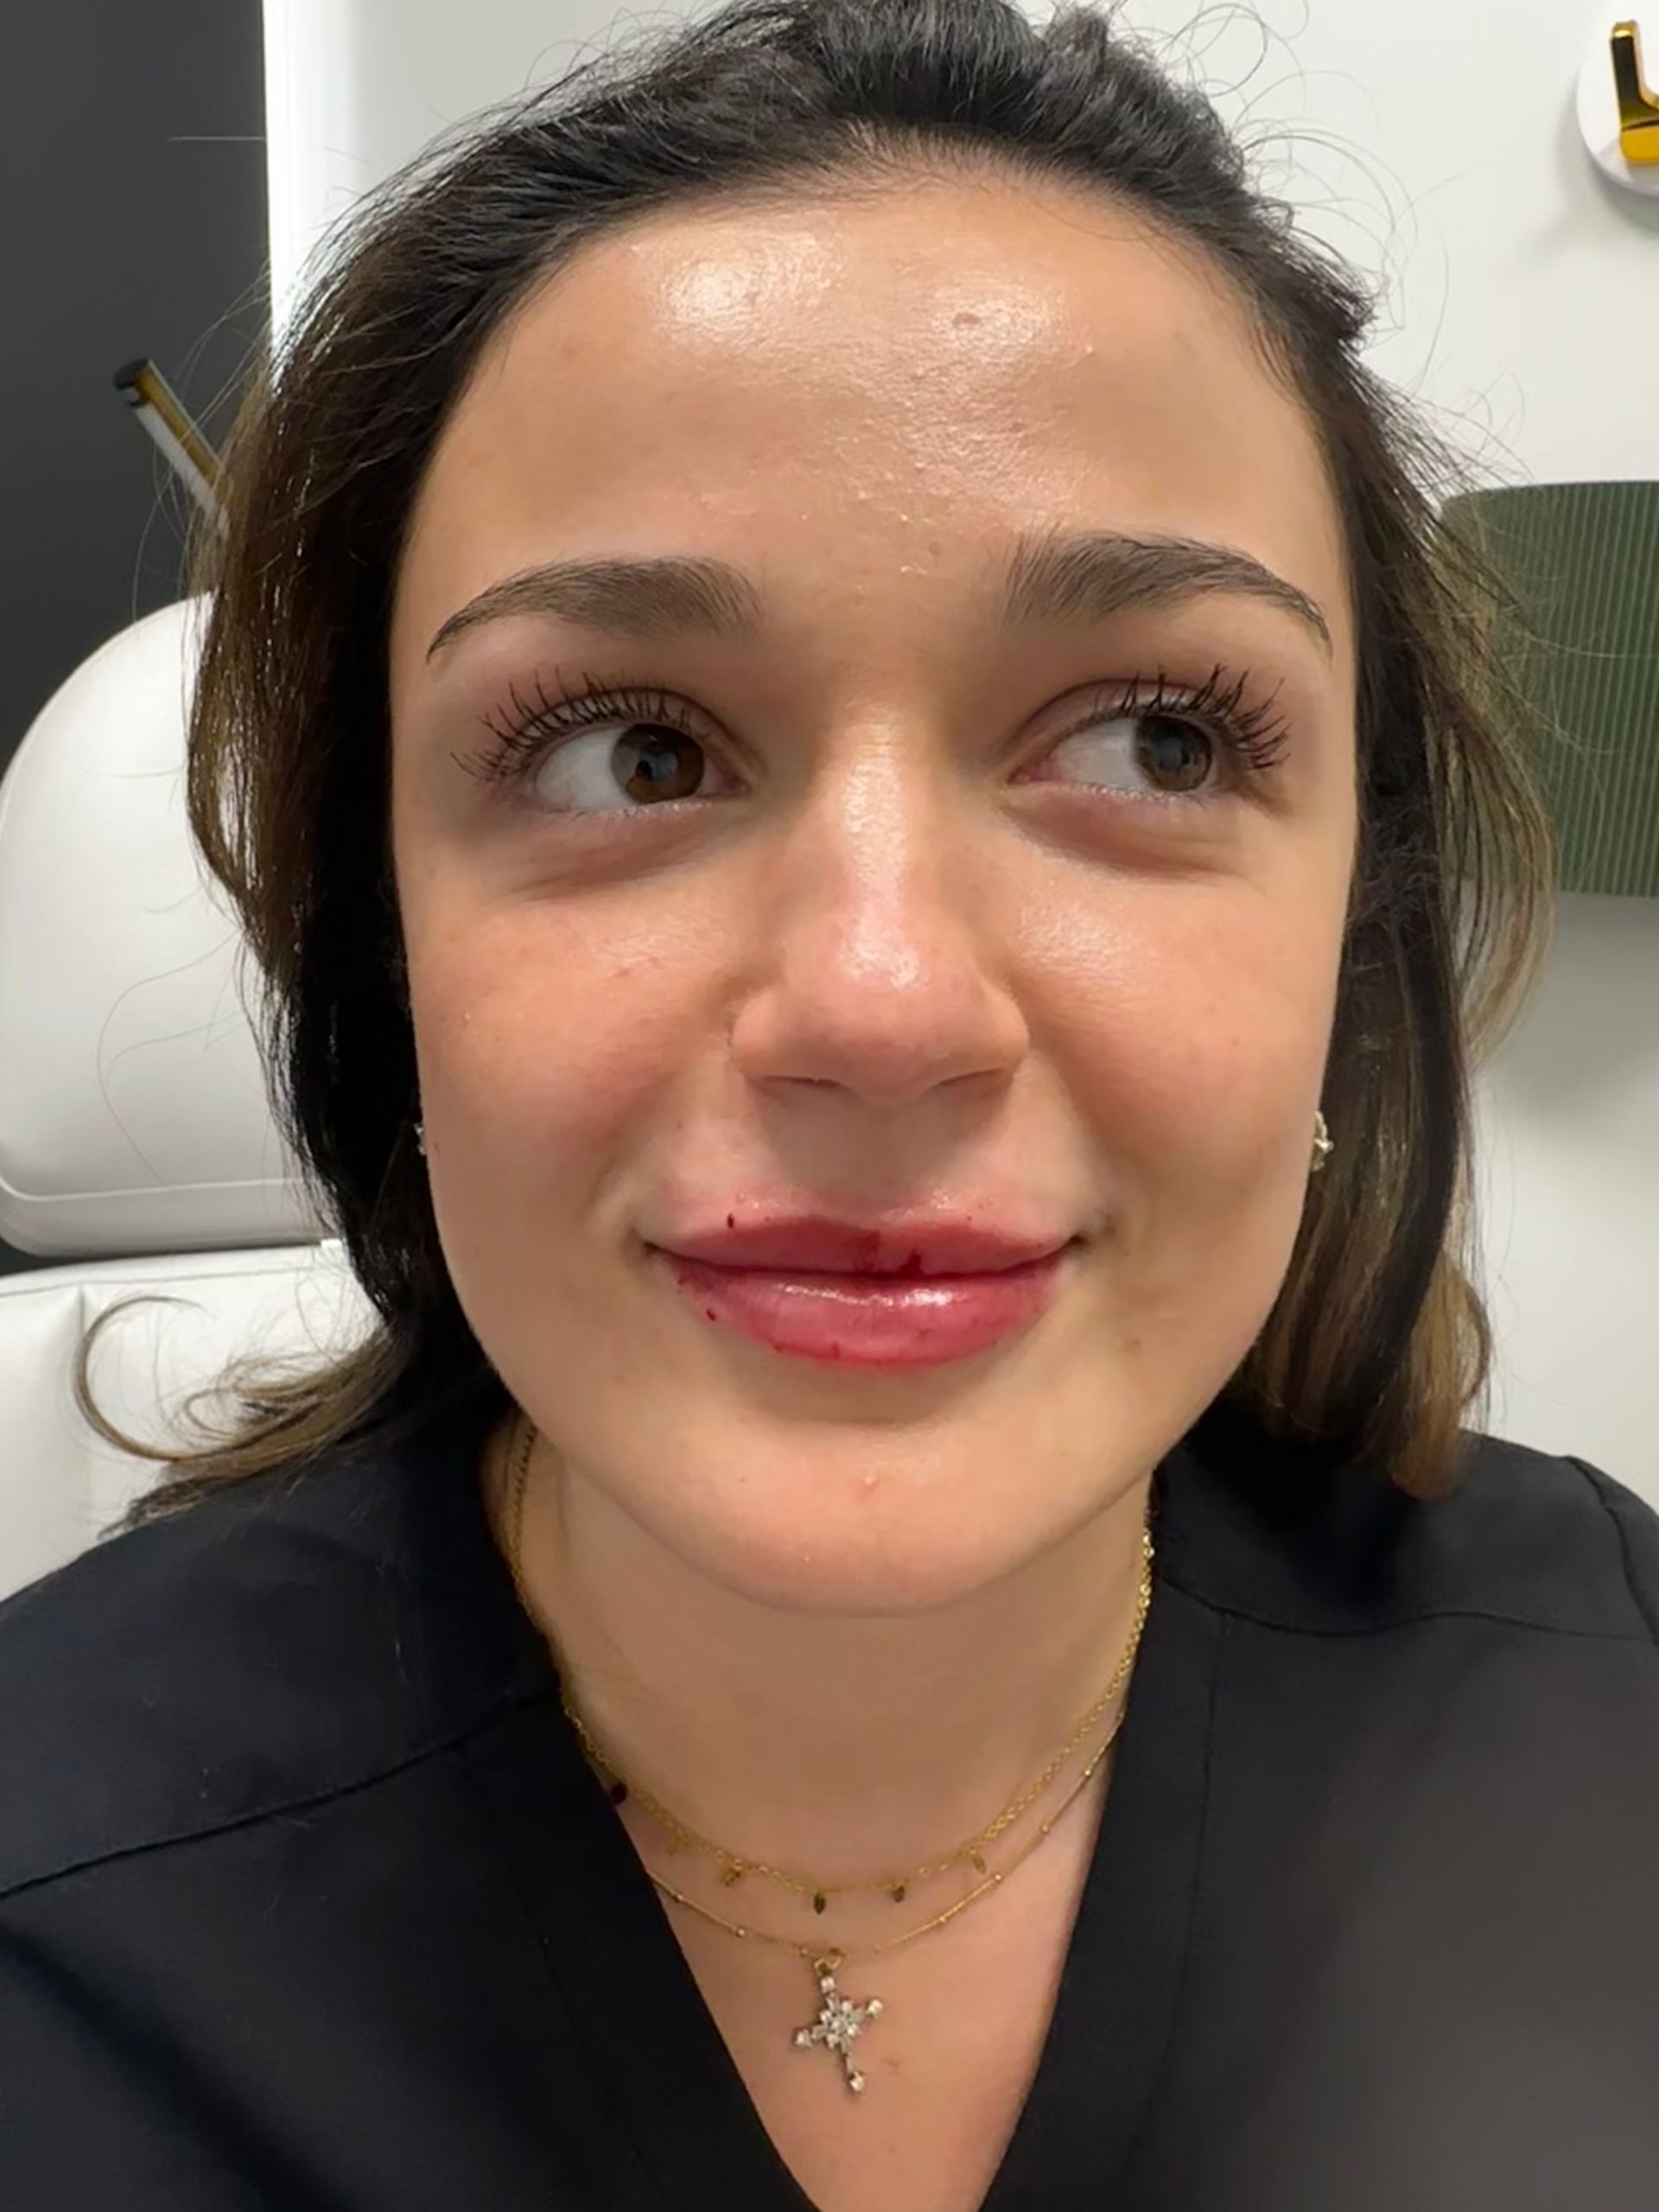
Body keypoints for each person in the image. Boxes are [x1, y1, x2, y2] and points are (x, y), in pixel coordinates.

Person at [1, 2, 1655, 2205]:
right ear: (379, 940)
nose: (882, 1005)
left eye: (1157, 738)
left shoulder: (1608, 1701)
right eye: (633, 750)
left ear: (1358, 920)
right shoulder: (57, 1907)